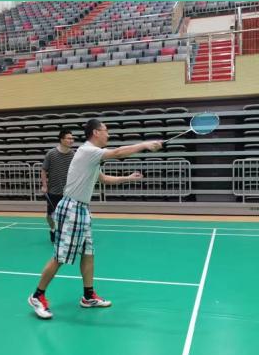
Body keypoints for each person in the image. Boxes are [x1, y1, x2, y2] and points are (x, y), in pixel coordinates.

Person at [27, 118, 163, 320]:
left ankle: (88, 296)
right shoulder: (87, 151)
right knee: (60, 256)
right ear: (96, 132)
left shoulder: (91, 157)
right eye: (105, 130)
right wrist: (144, 144)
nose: (108, 134)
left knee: (88, 253)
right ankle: (37, 296)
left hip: (82, 210)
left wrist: (127, 178)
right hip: (72, 208)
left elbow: (103, 178)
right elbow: (117, 153)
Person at [41, 129, 76, 244]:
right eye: (69, 138)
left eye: (72, 138)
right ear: (61, 140)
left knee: (69, 215)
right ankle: (53, 229)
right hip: (53, 191)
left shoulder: (73, 154)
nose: (71, 140)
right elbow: (44, 170)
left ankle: (66, 234)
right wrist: (44, 185)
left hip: (69, 192)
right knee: (50, 215)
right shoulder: (51, 154)